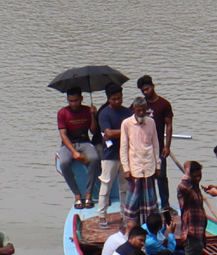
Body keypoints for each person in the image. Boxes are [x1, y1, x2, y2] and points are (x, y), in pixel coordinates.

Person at [120, 95, 164, 220]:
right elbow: (123, 148)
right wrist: (126, 169)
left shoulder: (151, 122)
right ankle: (132, 226)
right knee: (133, 202)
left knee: (149, 202)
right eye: (138, 110)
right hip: (135, 168)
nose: (141, 113)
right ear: (134, 109)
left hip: (149, 167)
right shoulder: (126, 124)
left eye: (143, 110)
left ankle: (149, 226)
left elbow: (155, 145)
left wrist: (158, 165)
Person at [55, 90, 100, 210]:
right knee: (64, 163)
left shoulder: (87, 110)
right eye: (71, 101)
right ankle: (77, 195)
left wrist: (93, 115)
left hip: (84, 142)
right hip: (68, 144)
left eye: (76, 101)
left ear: (81, 99)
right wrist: (74, 152)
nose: (73, 104)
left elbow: (94, 131)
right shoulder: (62, 113)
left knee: (94, 158)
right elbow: (63, 135)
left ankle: (88, 194)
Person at [95, 85, 130, 215]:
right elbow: (108, 134)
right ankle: (102, 215)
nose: (117, 101)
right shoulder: (104, 114)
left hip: (125, 154)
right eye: (114, 99)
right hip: (110, 155)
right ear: (108, 99)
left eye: (119, 98)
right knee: (106, 186)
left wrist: (117, 133)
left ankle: (125, 214)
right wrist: (127, 130)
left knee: (125, 187)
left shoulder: (128, 113)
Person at [177, 160, 209, 255]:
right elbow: (183, 186)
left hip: (198, 235)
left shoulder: (196, 189)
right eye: (195, 176)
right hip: (191, 234)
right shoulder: (186, 190)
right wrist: (187, 170)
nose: (198, 179)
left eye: (199, 176)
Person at [136, 75, 173, 166]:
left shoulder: (164, 104)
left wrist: (167, 147)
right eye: (143, 90)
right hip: (142, 148)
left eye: (147, 89)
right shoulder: (140, 105)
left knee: (160, 173)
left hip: (159, 147)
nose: (145, 92)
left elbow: (169, 126)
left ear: (153, 86)